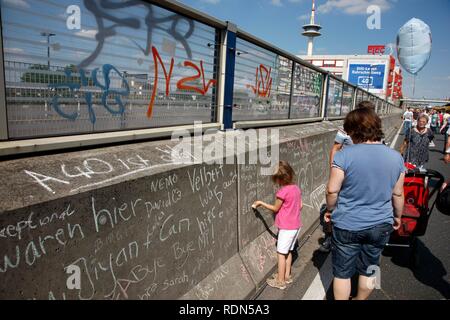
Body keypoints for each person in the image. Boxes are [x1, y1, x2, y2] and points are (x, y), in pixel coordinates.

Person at [325, 108, 405, 300]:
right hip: (380, 223)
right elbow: (398, 193)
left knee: (342, 272)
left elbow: (332, 191)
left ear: (353, 130)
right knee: (371, 266)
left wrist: (329, 211)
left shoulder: (344, 155)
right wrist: (398, 216)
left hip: (347, 222)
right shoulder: (395, 157)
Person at [321, 100, 375, 253]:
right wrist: (333, 169)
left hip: (363, 174)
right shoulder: (346, 130)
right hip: (345, 171)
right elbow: (335, 148)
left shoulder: (374, 130)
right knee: (333, 203)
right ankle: (330, 238)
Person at [253, 161, 302, 290]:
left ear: (279, 179)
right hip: (296, 226)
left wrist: (260, 203)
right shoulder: (296, 188)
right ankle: (286, 275)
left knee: (281, 254)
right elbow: (300, 206)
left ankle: (280, 281)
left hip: (286, 228)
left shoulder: (282, 192)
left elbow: (275, 208)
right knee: (288, 252)